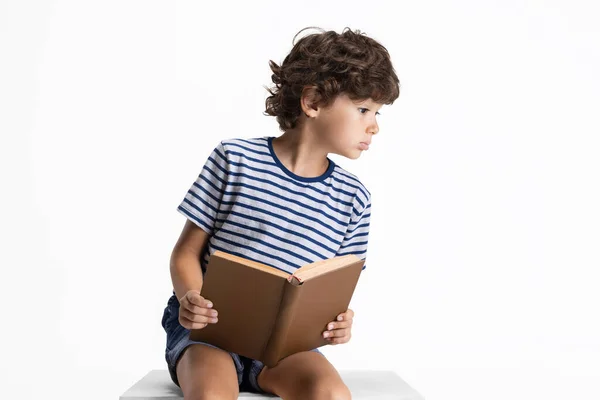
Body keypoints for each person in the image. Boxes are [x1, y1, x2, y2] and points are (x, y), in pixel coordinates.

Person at [161, 26, 400, 399]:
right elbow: (186, 253)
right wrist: (191, 298)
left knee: (333, 395)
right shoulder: (234, 159)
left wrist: (339, 324)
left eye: (378, 113)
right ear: (314, 102)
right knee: (211, 394)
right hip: (210, 334)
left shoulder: (354, 198)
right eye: (363, 109)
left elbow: (332, 291)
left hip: (283, 350)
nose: (374, 126)